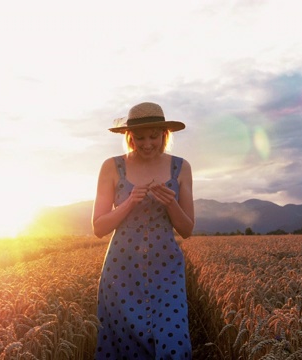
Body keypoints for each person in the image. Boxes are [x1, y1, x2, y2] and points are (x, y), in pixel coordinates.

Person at [92, 102, 194, 359]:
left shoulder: (181, 168)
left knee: (174, 343)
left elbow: (187, 229)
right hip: (121, 271)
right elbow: (99, 227)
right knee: (125, 347)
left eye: (154, 136)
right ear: (129, 137)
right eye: (139, 137)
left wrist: (170, 202)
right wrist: (129, 202)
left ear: (164, 134)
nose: (147, 143)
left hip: (167, 270)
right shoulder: (111, 167)